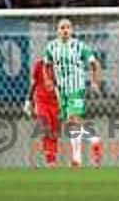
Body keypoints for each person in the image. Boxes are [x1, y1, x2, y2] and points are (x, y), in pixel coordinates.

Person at [43, 19, 102, 167]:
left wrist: (95, 82)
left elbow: (95, 64)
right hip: (61, 89)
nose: (65, 30)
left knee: (73, 120)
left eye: (68, 27)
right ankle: (92, 140)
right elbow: (46, 65)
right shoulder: (51, 47)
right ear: (57, 30)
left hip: (76, 87)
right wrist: (48, 80)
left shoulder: (79, 46)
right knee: (70, 124)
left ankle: (77, 158)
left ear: (72, 30)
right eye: (62, 27)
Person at [24, 58, 60, 167]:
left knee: (54, 130)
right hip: (41, 100)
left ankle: (51, 159)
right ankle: (46, 159)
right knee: (45, 126)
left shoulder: (61, 66)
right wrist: (28, 101)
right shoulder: (39, 65)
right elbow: (34, 83)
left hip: (55, 102)